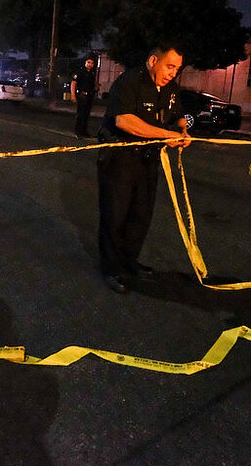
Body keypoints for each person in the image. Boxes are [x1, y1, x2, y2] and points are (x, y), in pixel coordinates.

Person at [96, 45, 189, 294]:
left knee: (140, 215)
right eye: (170, 66)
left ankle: (129, 261)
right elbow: (124, 120)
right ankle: (111, 269)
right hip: (119, 158)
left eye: (177, 69)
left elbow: (179, 114)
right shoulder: (129, 81)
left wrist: (182, 131)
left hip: (148, 161)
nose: (173, 73)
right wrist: (165, 134)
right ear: (152, 60)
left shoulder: (170, 87)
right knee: (115, 215)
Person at [70, 55, 98, 138]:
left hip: (89, 95)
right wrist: (73, 95)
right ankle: (78, 132)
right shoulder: (80, 72)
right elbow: (73, 83)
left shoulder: (92, 73)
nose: (90, 64)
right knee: (80, 114)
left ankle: (84, 131)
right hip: (82, 95)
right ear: (85, 63)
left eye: (92, 63)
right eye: (88, 62)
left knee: (86, 114)